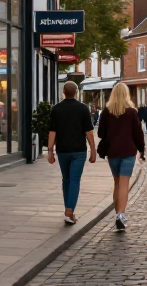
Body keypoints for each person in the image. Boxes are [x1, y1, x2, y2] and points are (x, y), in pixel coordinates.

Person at [47, 81, 97, 225]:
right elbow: (89, 132)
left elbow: (52, 132)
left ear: (64, 92)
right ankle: (69, 211)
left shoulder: (56, 109)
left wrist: (50, 151)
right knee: (74, 180)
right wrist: (92, 150)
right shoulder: (82, 109)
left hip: (62, 150)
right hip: (79, 150)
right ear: (76, 92)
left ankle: (68, 210)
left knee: (66, 180)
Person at [98, 83, 145, 231]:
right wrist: (142, 150)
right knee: (124, 184)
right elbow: (138, 133)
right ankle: (120, 215)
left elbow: (100, 134)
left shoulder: (106, 112)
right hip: (128, 152)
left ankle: (117, 214)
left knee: (117, 183)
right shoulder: (131, 112)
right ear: (126, 94)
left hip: (112, 152)